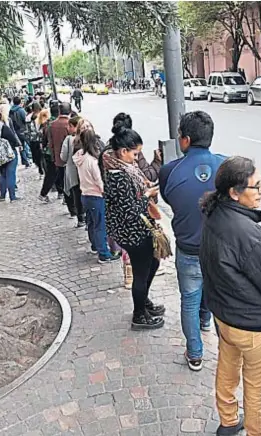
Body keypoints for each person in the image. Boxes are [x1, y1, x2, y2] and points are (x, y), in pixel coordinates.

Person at [199, 156, 261, 436]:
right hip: (252, 327)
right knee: (257, 388)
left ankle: (228, 421)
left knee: (227, 369)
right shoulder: (250, 235)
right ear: (234, 192)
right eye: (256, 186)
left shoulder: (214, 214)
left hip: (224, 317)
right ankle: (257, 432)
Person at [159, 111, 225, 371]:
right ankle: (209, 325)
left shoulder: (169, 170)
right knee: (217, 296)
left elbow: (168, 199)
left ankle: (195, 353)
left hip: (187, 250)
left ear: (184, 140)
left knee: (189, 299)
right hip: (219, 251)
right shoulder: (226, 165)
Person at [102, 123, 165, 330]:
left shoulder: (122, 168)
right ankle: (139, 314)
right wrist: (146, 196)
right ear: (123, 151)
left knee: (153, 264)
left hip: (133, 229)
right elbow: (130, 211)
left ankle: (143, 300)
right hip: (132, 233)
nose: (137, 158)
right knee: (141, 272)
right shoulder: (118, 175)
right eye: (135, 154)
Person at [73, 128, 120, 264]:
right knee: (100, 225)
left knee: (92, 223)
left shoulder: (79, 157)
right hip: (95, 195)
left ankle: (95, 246)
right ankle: (103, 254)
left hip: (85, 194)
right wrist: (105, 191)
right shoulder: (91, 161)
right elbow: (98, 180)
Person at [39, 103, 74, 215]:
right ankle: (73, 209)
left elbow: (49, 143)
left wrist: (54, 157)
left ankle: (68, 203)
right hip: (70, 160)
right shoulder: (70, 124)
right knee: (70, 184)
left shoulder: (51, 125)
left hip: (56, 159)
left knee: (62, 181)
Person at [60, 116, 85, 227]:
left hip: (73, 173)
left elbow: (63, 157)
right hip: (85, 174)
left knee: (76, 195)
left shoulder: (69, 139)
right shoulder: (87, 137)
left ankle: (80, 218)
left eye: (70, 126)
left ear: (75, 127)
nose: (68, 128)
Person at [9, 96, 31, 168]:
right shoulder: (21, 110)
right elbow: (26, 119)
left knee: (21, 146)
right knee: (30, 144)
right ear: (20, 102)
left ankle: (25, 162)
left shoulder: (11, 110)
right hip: (23, 130)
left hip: (16, 131)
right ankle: (33, 159)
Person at [25, 101, 43, 177]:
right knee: (42, 156)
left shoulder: (28, 117)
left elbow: (27, 129)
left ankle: (40, 169)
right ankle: (42, 169)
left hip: (32, 139)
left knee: (36, 156)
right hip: (40, 139)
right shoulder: (42, 116)